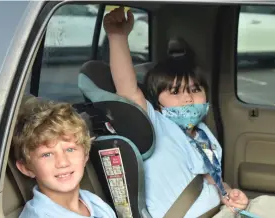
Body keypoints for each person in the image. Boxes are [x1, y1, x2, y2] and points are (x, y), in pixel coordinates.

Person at [103, 7, 249, 218]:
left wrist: (228, 193)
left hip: (220, 211)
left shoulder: (204, 134)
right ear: (157, 104)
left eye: (195, 90)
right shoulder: (154, 125)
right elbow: (128, 89)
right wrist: (117, 36)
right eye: (175, 92)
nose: (188, 98)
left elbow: (209, 179)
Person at [12, 96, 116, 218]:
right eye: (47, 154)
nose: (62, 162)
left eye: (70, 149)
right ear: (26, 168)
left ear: (85, 155)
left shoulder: (93, 202)